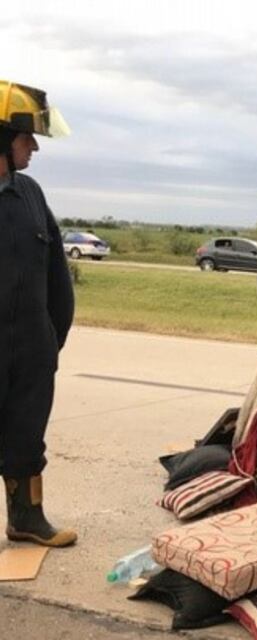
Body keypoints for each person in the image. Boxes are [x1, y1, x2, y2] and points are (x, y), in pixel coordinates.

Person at [0, 80, 76, 547]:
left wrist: (50, 338)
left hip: (30, 347)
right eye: (27, 137)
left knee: (27, 437)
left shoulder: (29, 193)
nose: (34, 147)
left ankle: (26, 519)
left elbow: (56, 275)